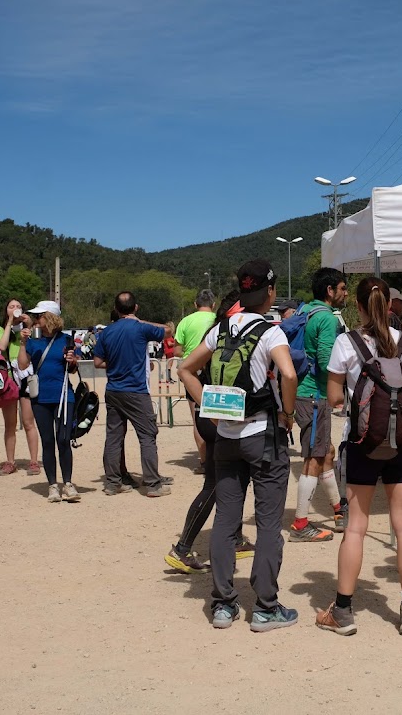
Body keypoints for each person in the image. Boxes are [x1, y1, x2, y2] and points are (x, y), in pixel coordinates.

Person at [181, 259, 299, 631]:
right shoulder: (271, 332)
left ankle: (222, 605)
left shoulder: (221, 329)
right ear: (271, 292)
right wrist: (289, 414)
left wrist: (209, 408)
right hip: (263, 436)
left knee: (226, 521)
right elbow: (289, 373)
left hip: (226, 440)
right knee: (267, 524)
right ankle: (265, 607)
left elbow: (184, 368)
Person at [315, 276, 402, 635]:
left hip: (361, 444)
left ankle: (343, 611)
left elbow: (334, 398)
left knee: (356, 527)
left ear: (358, 307)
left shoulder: (346, 344)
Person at [165, 291, 255, 573]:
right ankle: (182, 548)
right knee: (216, 485)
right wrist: (206, 404)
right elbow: (184, 368)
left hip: (219, 416)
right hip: (218, 418)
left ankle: (237, 538)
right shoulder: (222, 336)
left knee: (236, 480)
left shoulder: (223, 335)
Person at [93, 291, 174, 497]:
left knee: (113, 438)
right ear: (135, 308)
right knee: (147, 436)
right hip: (136, 391)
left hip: (113, 390)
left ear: (116, 309)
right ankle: (153, 484)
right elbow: (167, 330)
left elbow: (97, 362)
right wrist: (139, 320)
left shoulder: (106, 333)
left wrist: (118, 363)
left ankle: (112, 483)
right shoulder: (140, 328)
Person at [290, 267, 348, 543]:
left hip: (303, 393)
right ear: (330, 291)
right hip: (315, 396)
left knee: (326, 452)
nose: (345, 293)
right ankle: (301, 524)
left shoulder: (305, 311)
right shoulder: (325, 318)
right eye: (343, 288)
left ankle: (338, 509)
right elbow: (327, 361)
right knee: (314, 457)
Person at [17, 301, 82, 503]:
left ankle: (68, 483)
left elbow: (72, 369)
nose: (36, 320)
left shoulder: (66, 339)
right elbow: (22, 364)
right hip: (40, 396)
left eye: (39, 316)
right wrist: (22, 343)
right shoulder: (33, 340)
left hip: (64, 395)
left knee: (63, 439)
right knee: (47, 441)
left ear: (50, 317)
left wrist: (72, 361)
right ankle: (53, 485)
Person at [0, 299, 40, 476]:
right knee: (10, 424)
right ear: (5, 310)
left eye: (18, 306)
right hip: (9, 379)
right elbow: (2, 346)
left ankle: (34, 461)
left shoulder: (28, 328)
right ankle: (10, 461)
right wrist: (9, 324)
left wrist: (28, 324)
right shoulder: (0, 329)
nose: (15, 309)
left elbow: (37, 343)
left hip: (27, 376)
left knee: (29, 422)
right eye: (11, 306)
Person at [174, 289, 217, 473]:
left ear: (195, 304)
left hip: (193, 373)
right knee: (220, 413)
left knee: (197, 418)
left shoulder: (185, 321)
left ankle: (204, 460)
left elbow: (176, 351)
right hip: (215, 371)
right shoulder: (219, 319)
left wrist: (191, 356)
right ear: (213, 304)